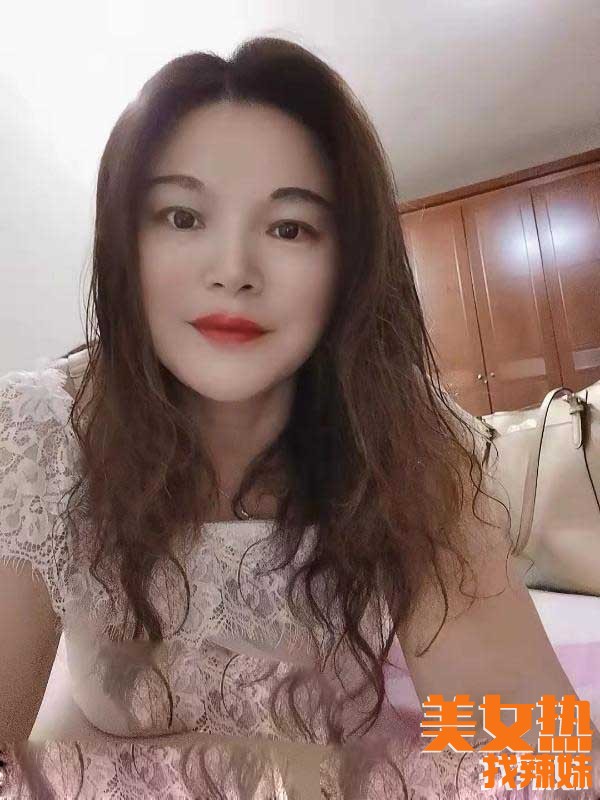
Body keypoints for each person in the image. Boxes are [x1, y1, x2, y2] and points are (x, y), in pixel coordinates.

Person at [0, 36, 598, 799]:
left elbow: (535, 747)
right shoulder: (40, 432)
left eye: (289, 227)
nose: (232, 271)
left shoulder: (407, 434)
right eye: (182, 216)